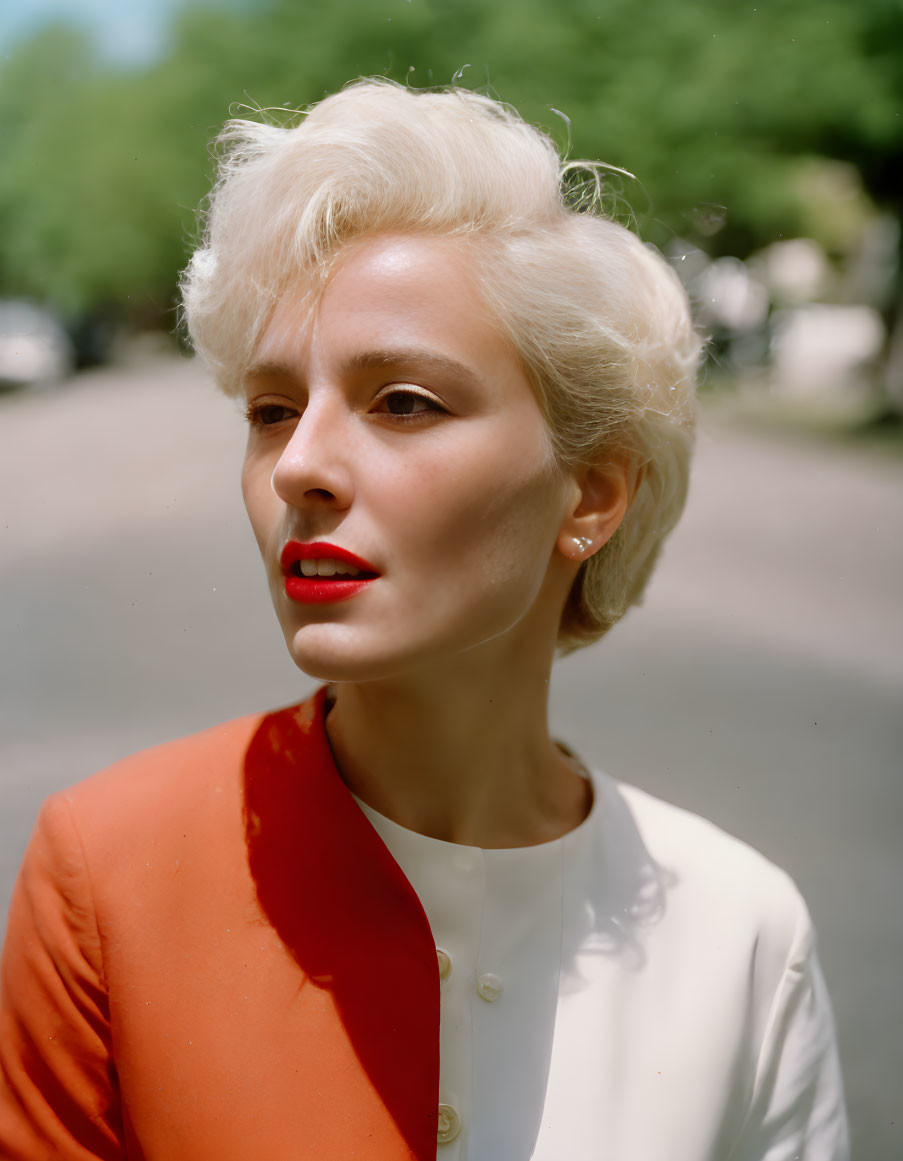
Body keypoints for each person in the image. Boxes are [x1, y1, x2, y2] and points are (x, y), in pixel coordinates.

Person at [0, 79, 848, 1161]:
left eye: (404, 401)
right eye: (270, 410)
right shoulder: (107, 877)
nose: (298, 464)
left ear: (590, 495)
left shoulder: (740, 935)